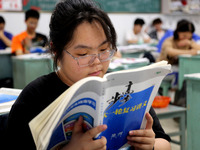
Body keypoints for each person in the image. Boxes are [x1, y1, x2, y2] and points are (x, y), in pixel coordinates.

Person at [6, 0, 171, 149]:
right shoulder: (36, 97)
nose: (97, 62)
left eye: (103, 50)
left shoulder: (125, 87)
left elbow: (165, 144)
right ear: (56, 51)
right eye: (83, 54)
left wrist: (151, 145)